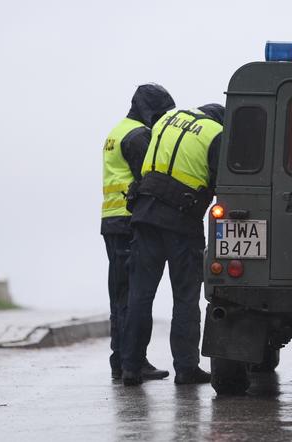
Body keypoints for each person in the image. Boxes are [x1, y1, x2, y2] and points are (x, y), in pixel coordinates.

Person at [120, 103, 225, 386]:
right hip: (181, 222)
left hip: (144, 215)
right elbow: (223, 182)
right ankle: (186, 368)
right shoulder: (216, 133)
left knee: (140, 295)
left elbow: (140, 150)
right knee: (186, 298)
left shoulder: (168, 118)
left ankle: (130, 367)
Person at [101, 83, 175, 381]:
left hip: (112, 221)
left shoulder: (117, 131)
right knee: (135, 297)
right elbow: (150, 177)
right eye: (160, 114)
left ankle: (119, 359)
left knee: (120, 295)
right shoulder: (138, 136)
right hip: (129, 221)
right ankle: (134, 361)